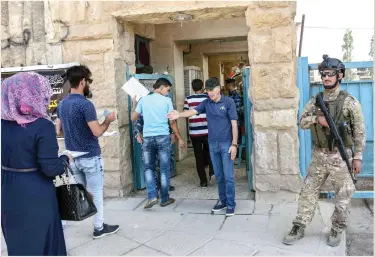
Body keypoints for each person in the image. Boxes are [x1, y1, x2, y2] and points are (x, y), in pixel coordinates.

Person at [283, 55, 366, 247]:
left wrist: (358, 157)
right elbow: (302, 121)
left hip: (341, 155)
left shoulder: (350, 102)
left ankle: (337, 227)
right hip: (319, 156)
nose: (326, 77)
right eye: (323, 74)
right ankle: (299, 225)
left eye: (330, 74)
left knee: (344, 193)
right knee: (308, 192)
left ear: (340, 75)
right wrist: (317, 120)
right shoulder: (315, 101)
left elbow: (360, 132)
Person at [1, 72, 71, 255]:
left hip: (7, 190)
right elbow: (50, 169)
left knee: (18, 244)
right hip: (36, 193)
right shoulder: (42, 126)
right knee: (42, 243)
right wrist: (65, 159)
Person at [56, 65, 120, 239]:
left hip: (72, 158)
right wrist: (107, 120)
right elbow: (97, 132)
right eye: (88, 81)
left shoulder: (62, 104)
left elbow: (59, 131)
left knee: (82, 192)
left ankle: (68, 221)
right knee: (96, 192)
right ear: (82, 81)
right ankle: (99, 228)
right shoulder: (85, 104)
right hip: (90, 156)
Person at [167, 77, 238, 216]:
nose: (210, 93)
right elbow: (192, 112)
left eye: (212, 90)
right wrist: (179, 114)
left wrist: (234, 144)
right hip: (212, 144)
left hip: (226, 143)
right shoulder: (206, 103)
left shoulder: (228, 102)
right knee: (218, 175)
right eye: (208, 90)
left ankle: (231, 204)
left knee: (228, 176)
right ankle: (223, 201)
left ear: (218, 88)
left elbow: (234, 124)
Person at [131, 78, 185, 209]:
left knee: (148, 168)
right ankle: (165, 199)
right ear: (161, 87)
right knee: (164, 169)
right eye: (167, 89)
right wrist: (179, 137)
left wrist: (134, 103)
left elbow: (133, 117)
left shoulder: (143, 100)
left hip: (148, 138)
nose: (168, 92)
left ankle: (152, 197)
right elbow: (172, 122)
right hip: (163, 137)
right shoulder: (167, 101)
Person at [133, 103, 184, 192]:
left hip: (162, 137)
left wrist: (172, 133)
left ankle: (164, 185)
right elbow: (136, 120)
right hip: (149, 139)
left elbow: (170, 120)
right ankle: (157, 187)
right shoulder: (144, 104)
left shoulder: (163, 102)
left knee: (166, 162)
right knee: (152, 164)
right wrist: (137, 133)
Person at [183, 78, 214, 188]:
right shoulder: (207, 97)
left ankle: (203, 181)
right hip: (207, 131)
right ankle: (212, 173)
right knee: (210, 152)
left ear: (192, 87)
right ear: (202, 87)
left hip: (194, 132)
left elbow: (186, 113)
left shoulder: (188, 99)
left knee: (198, 156)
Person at [225, 78, 244, 146]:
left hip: (236, 122)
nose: (225, 87)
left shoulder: (236, 96)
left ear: (229, 85)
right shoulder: (230, 95)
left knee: (235, 141)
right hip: (231, 122)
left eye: (226, 85)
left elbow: (237, 110)